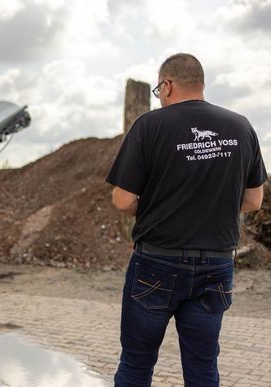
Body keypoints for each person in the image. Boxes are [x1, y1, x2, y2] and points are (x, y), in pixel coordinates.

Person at [107, 53, 267, 386]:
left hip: (157, 263)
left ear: (167, 86)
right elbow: (253, 201)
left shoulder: (149, 126)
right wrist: (210, 206)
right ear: (201, 83)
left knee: (136, 365)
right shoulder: (241, 126)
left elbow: (122, 201)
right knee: (203, 367)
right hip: (216, 265)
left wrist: (161, 207)